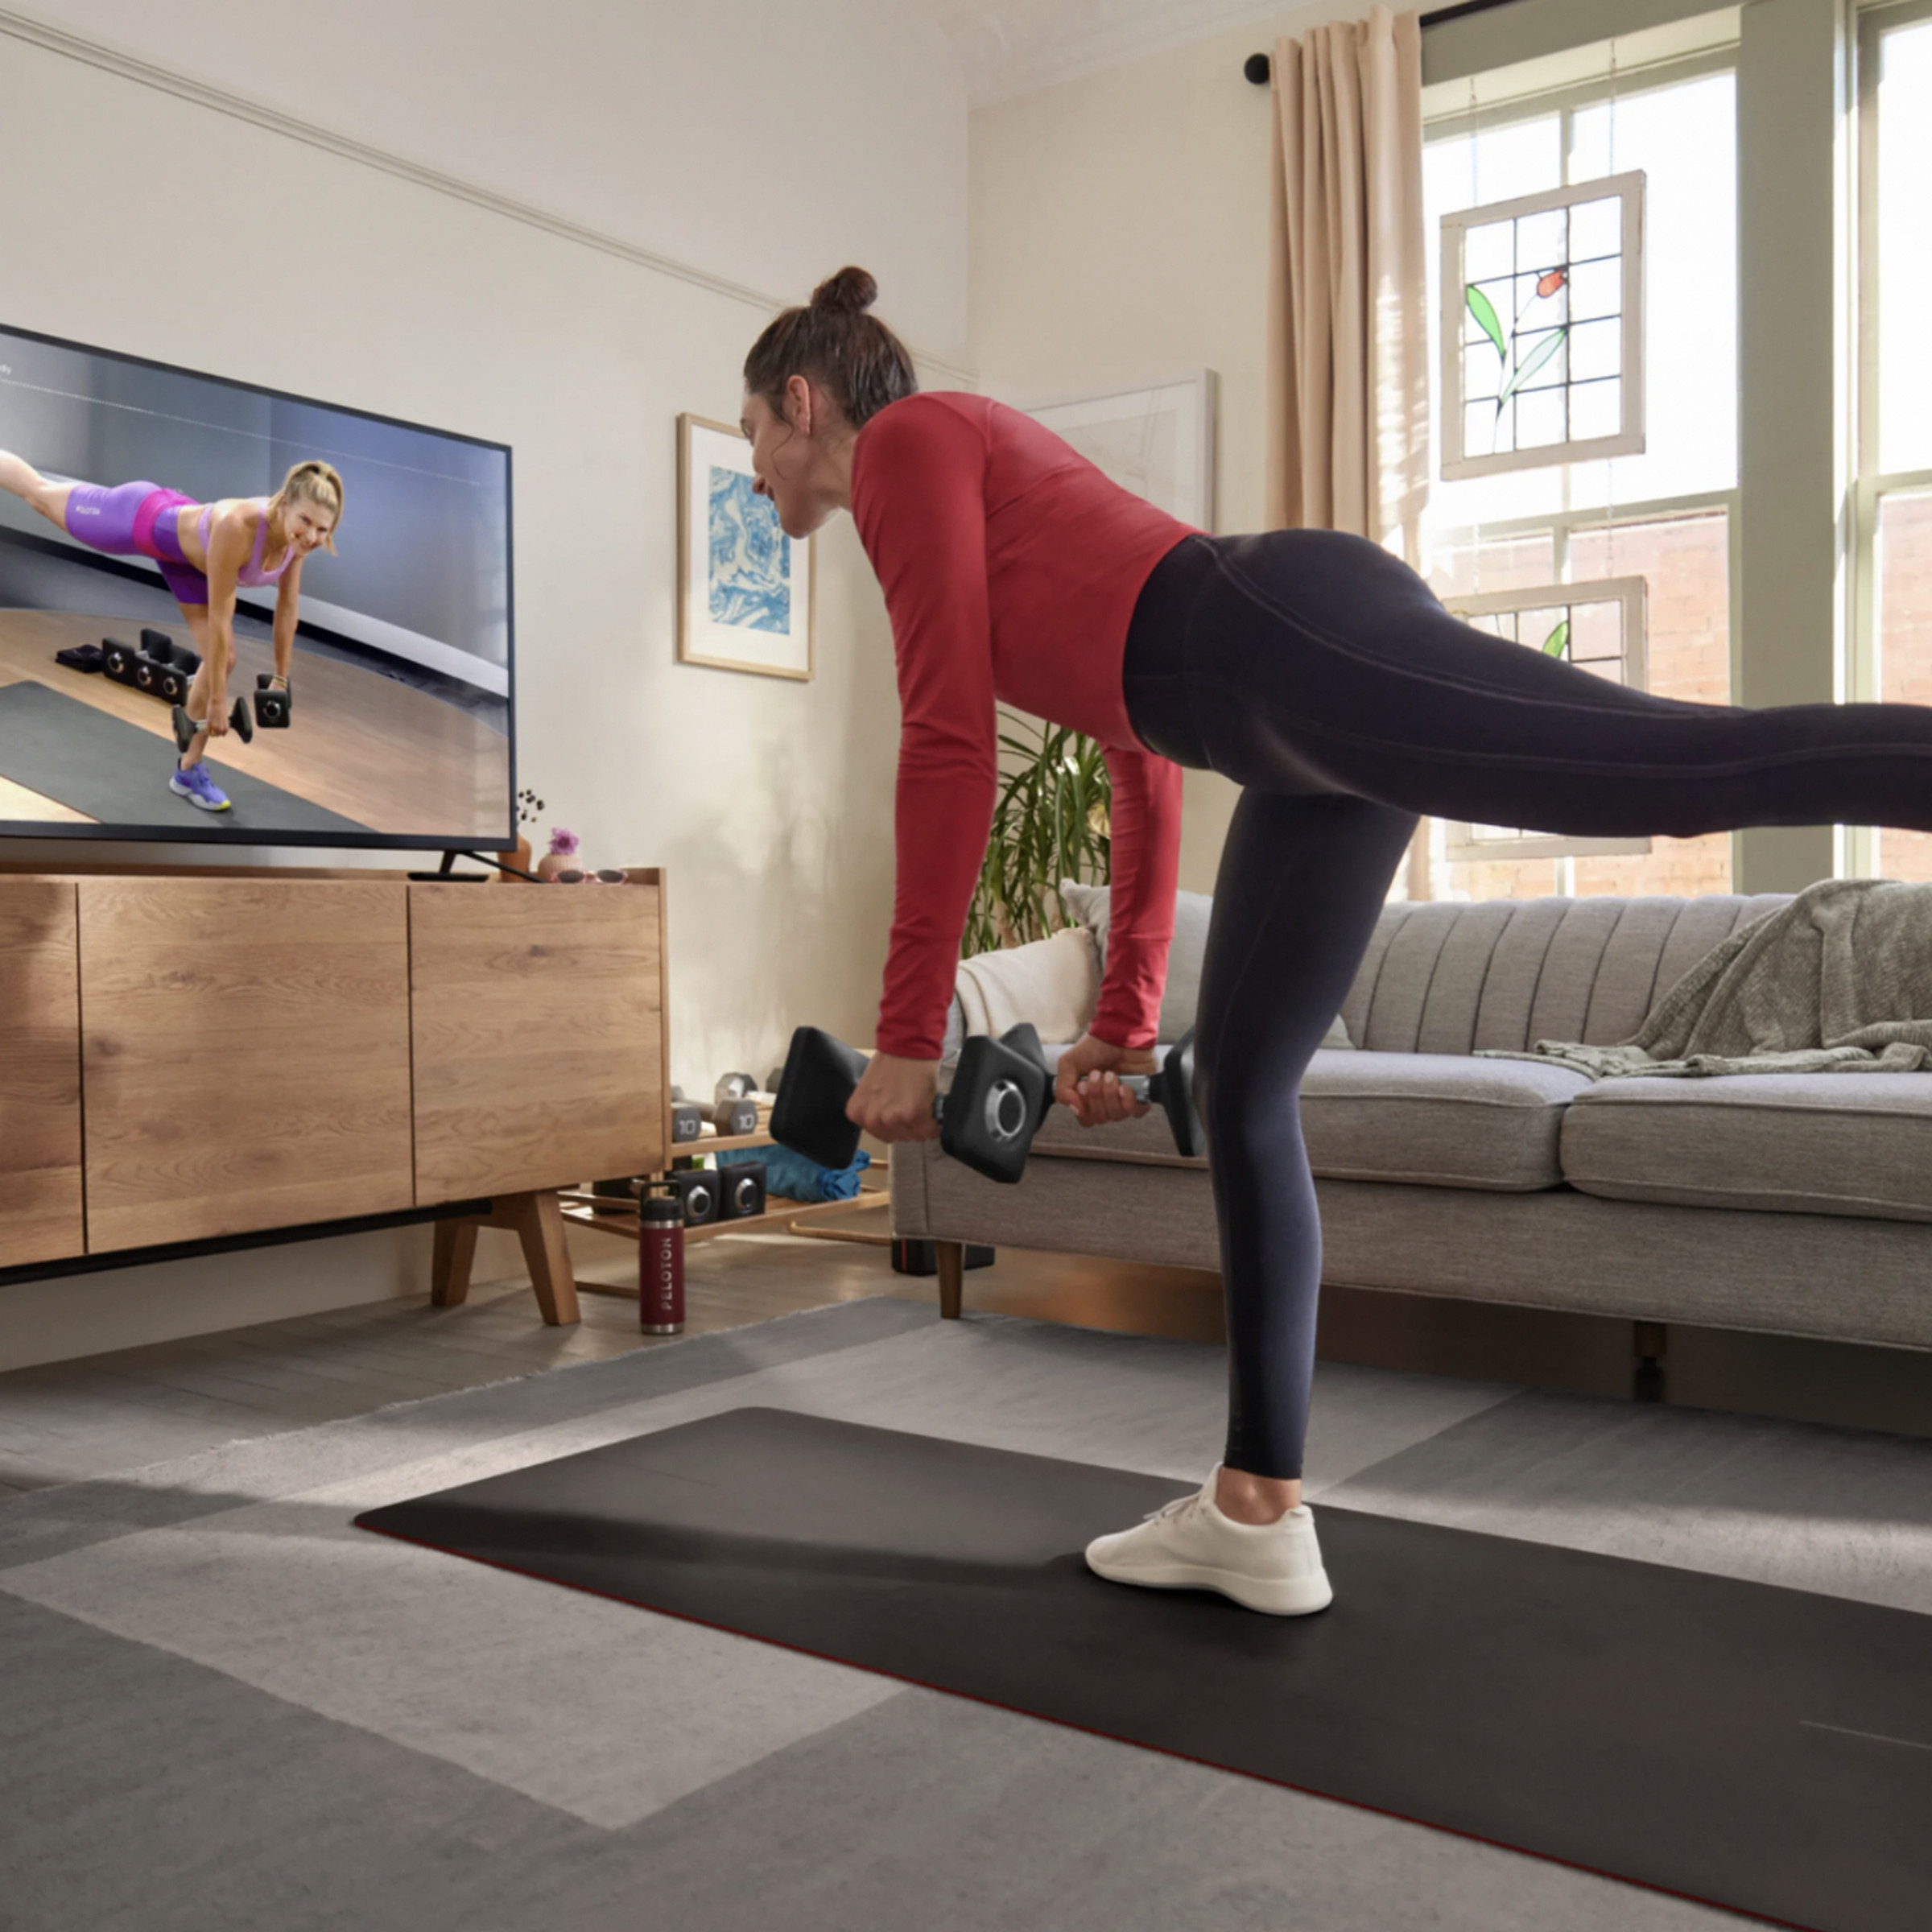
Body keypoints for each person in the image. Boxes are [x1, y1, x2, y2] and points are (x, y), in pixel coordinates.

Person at [739, 266, 1932, 1617]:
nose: (759, 466)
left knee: (1672, 771)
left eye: (754, 435)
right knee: (1244, 1090)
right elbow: (1135, 755)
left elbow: (946, 737)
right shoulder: (955, 469)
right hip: (1272, 715)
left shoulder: (908, 441)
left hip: (1285, 650)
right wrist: (1127, 1015)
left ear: (802, 400)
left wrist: (908, 1037)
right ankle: (1255, 1512)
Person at [0, 453, 343, 811]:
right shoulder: (236, 527)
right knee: (40, 496)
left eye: (323, 529)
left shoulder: (298, 541)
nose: (313, 536)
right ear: (285, 503)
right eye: (306, 521)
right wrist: (215, 704)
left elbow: (287, 609)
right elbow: (221, 618)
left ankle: (188, 772)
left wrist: (281, 680)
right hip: (144, 519)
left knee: (221, 661)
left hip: (191, 563)